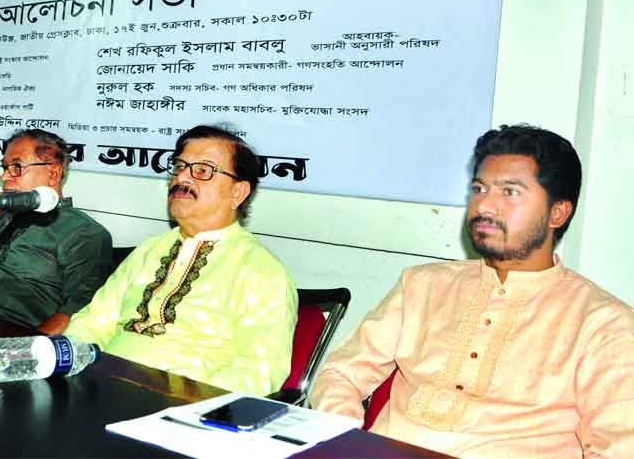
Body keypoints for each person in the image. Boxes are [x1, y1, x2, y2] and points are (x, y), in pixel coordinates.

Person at [310, 124, 634, 458]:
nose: (485, 206)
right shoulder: (422, 285)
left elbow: (619, 447)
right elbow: (340, 375)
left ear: (558, 212)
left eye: (509, 193)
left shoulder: (604, 325)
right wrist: (347, 443)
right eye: (479, 188)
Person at [65, 125, 298, 396]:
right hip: (98, 389)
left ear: (238, 193)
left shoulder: (261, 271)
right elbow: (92, 322)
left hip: (179, 409)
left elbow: (258, 373)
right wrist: (70, 366)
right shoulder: (150, 249)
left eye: (202, 170)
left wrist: (190, 406)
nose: (182, 178)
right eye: (179, 166)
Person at [0, 129, 113, 334]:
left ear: (53, 173)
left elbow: (81, 308)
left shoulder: (83, 232)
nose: (6, 176)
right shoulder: (0, 216)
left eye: (17, 167)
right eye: (5, 167)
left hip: (13, 336)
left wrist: (27, 350)